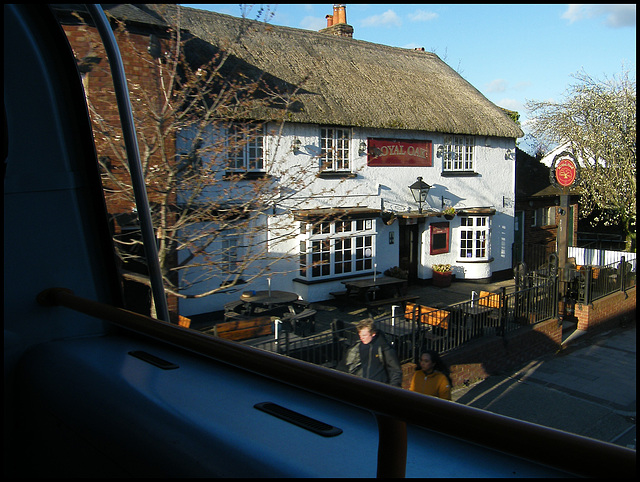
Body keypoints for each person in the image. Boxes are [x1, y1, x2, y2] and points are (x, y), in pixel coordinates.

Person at [339, 318, 403, 387]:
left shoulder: (383, 347)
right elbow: (345, 365)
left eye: (364, 335)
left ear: (373, 334)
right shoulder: (357, 346)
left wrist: (392, 388)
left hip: (378, 386)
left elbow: (395, 370)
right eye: (360, 335)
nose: (361, 338)